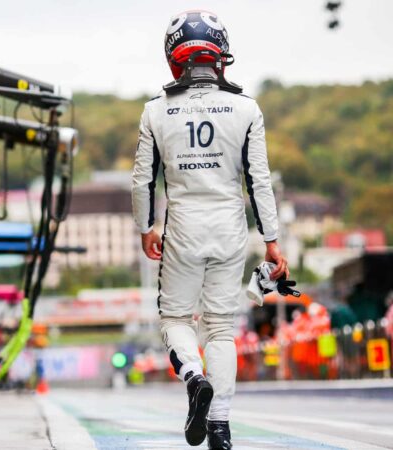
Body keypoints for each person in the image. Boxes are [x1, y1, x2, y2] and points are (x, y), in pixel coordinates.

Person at [131, 10, 288, 449]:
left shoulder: (154, 112)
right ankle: (219, 426)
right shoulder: (246, 109)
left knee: (176, 318)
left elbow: (142, 179)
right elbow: (259, 181)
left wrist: (146, 227)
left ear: (173, 59)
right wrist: (272, 242)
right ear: (221, 55)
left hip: (183, 225)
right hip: (230, 226)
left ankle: (194, 378)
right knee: (220, 328)